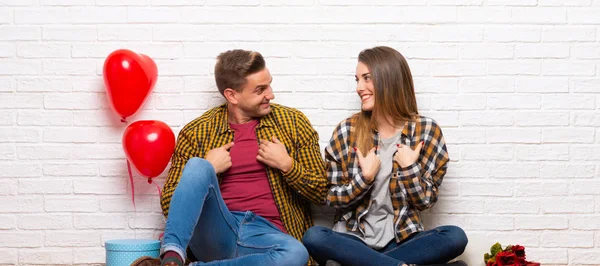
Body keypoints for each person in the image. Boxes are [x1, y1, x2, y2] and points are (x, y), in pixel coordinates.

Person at [133, 49, 328, 266]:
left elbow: (322, 192)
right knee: (198, 166)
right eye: (260, 90)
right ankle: (172, 256)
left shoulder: (292, 123)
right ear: (232, 95)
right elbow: (170, 204)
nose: (270, 94)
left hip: (269, 238)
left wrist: (288, 166)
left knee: (296, 254)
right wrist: (210, 169)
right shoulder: (198, 131)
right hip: (217, 232)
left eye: (269, 84)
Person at [302, 46, 468, 266]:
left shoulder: (426, 131)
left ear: (388, 79)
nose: (359, 88)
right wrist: (365, 179)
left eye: (367, 78)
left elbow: (425, 202)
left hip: (402, 239)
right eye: (357, 80)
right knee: (314, 237)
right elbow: (331, 197)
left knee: (455, 237)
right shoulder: (346, 131)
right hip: (353, 239)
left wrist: (410, 169)